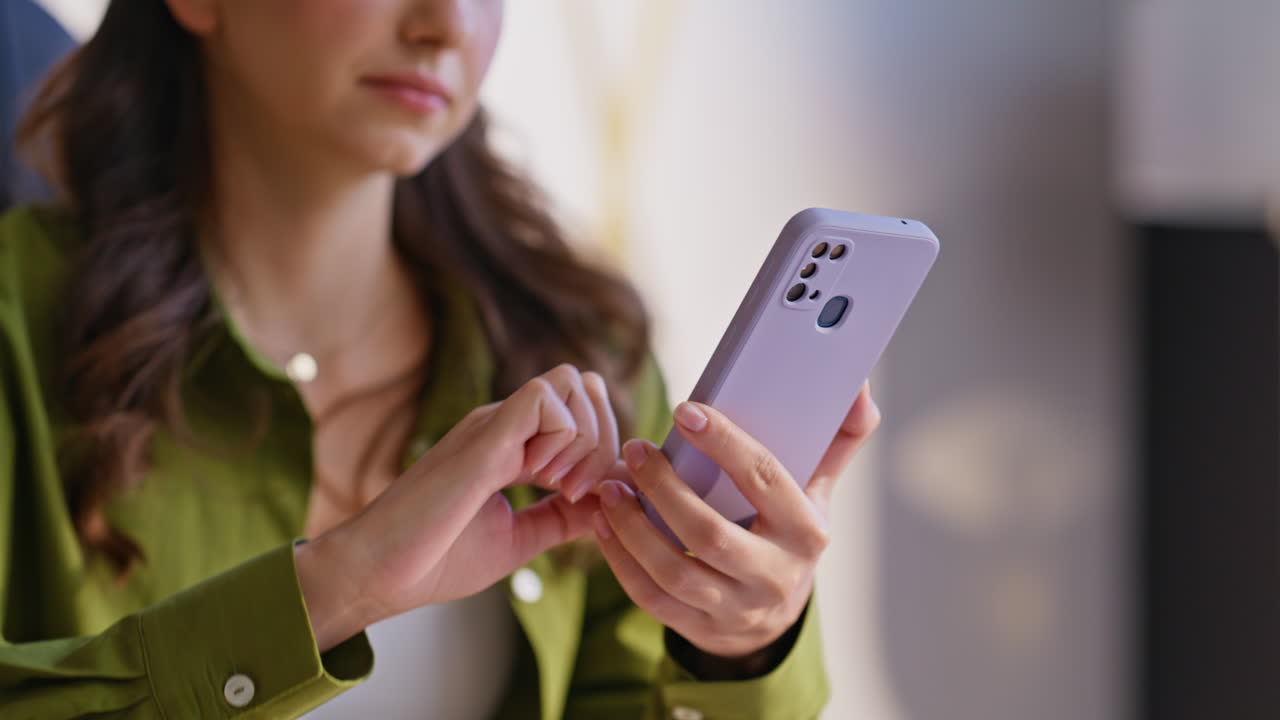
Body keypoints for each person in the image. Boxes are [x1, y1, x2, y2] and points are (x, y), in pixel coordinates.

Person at [0, 1, 881, 718]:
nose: (448, 23)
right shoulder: (18, 322)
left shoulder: (582, 351)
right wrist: (335, 590)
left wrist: (742, 651)